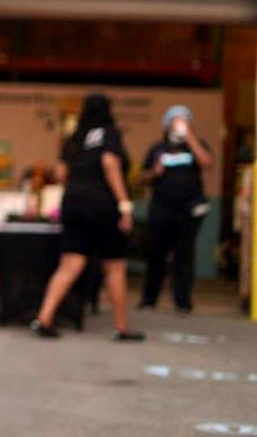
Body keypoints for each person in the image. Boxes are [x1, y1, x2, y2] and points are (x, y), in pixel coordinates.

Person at [31, 92, 145, 341]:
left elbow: (60, 173)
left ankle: (44, 317)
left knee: (70, 263)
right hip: (103, 204)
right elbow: (110, 164)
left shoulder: (75, 137)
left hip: (73, 203)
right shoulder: (110, 134)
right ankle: (121, 326)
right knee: (114, 265)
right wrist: (124, 205)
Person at [138, 105, 214, 313]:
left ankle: (183, 301)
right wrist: (154, 172)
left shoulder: (196, 145)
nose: (179, 124)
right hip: (161, 208)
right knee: (156, 255)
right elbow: (142, 176)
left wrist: (189, 137)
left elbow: (207, 162)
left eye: (183, 120)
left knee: (184, 255)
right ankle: (149, 299)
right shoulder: (158, 148)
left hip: (188, 209)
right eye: (175, 120)